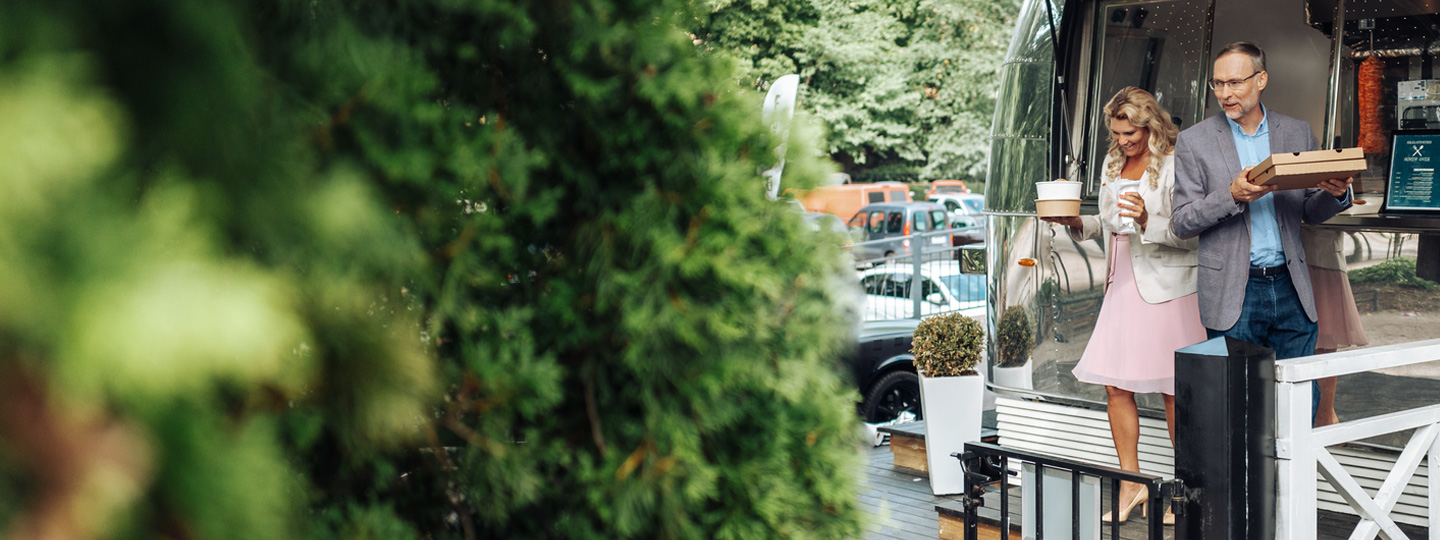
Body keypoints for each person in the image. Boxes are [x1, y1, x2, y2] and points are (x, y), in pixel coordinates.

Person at [1043, 87, 1203, 526]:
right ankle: (1131, 483)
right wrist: (1077, 221)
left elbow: (1192, 229)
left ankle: (1185, 489)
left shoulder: (1176, 161)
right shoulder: (1113, 161)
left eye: (1130, 132)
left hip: (1169, 286)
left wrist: (1151, 221)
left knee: (1175, 394)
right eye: (1116, 133)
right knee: (1116, 387)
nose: (1123, 141)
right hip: (1122, 283)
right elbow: (1110, 223)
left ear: (1150, 123)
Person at [1170, 42, 1353, 422]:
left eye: (1235, 83)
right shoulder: (1194, 141)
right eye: (1217, 84)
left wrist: (1336, 193)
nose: (1225, 94)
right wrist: (1231, 195)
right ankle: (1249, 483)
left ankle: (1291, 482)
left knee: (1301, 400)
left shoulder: (1296, 132)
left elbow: (1308, 210)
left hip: (1291, 286)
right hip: (1235, 290)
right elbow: (1182, 221)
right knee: (1237, 406)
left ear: (1261, 79)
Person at [1302, 228, 1369, 426]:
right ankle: (1322, 418)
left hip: (1321, 253)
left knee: (1324, 339)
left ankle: (1324, 416)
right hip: (1293, 255)